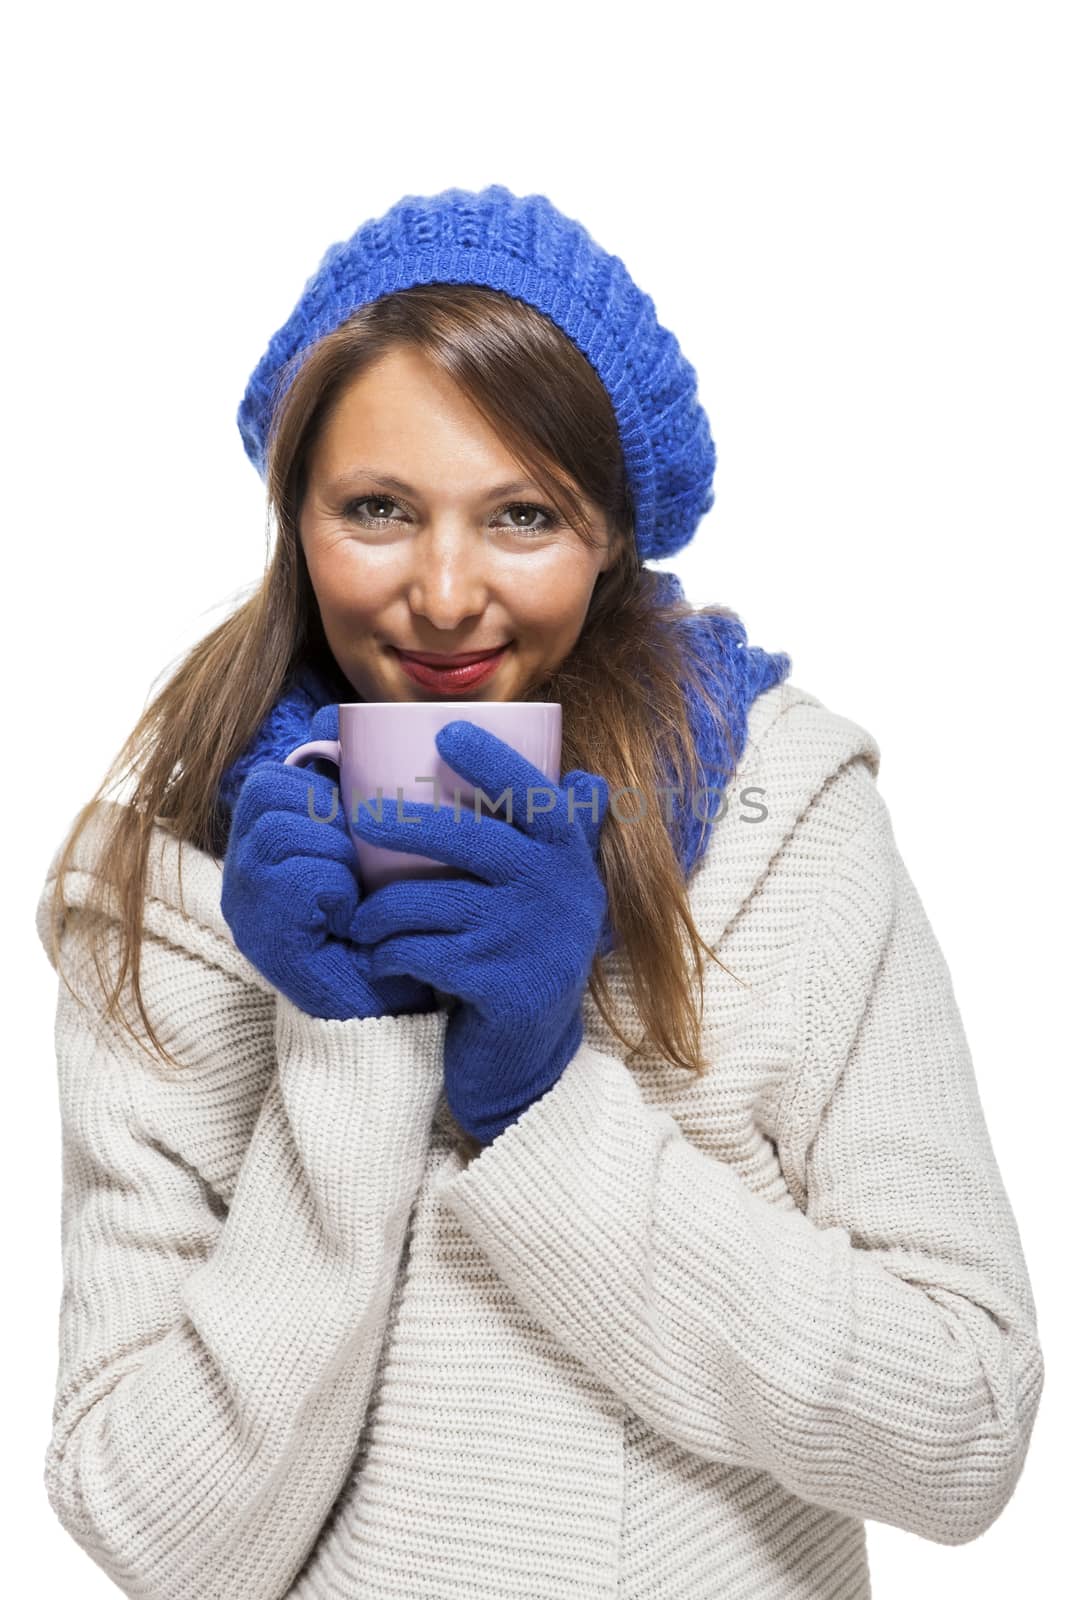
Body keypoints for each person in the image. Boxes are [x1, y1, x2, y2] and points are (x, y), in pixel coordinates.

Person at [35, 184, 1043, 1600]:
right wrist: (349, 1047)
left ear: (615, 534)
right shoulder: (168, 898)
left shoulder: (785, 827)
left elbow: (966, 1429)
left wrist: (543, 1107)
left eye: (522, 515)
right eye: (377, 509)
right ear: (295, 519)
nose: (446, 595)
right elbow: (162, 1543)